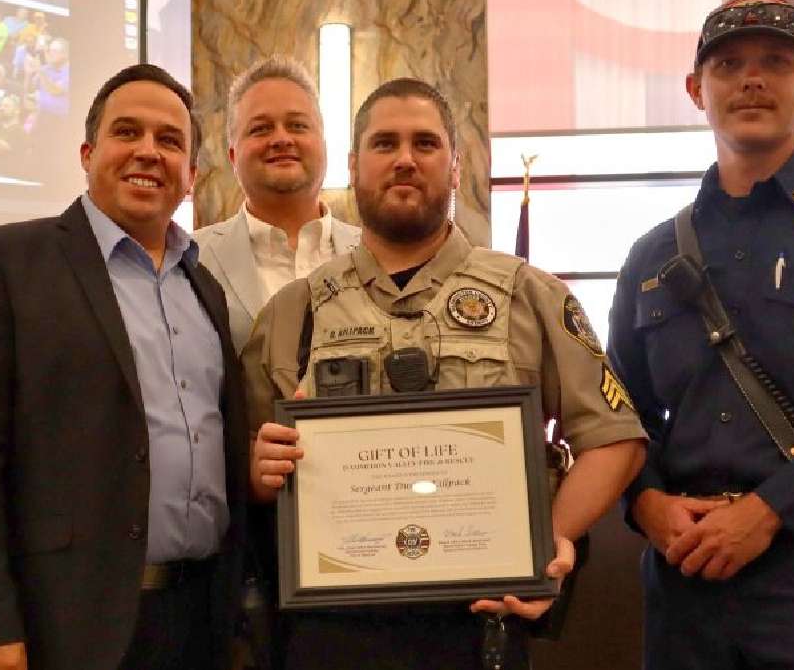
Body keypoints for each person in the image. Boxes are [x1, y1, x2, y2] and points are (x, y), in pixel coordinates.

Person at [244, 77, 646, 669]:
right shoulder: (293, 312)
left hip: (480, 625)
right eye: (385, 144)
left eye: (425, 144)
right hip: (333, 630)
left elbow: (615, 439)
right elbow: (246, 466)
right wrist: (258, 472)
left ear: (455, 168)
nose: (405, 159)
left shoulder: (529, 297)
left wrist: (545, 541)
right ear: (354, 166)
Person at [608, 0, 794, 670]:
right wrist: (645, 500)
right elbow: (617, 414)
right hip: (684, 584)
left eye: (776, 61)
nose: (753, 79)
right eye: (729, 64)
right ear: (695, 90)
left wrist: (770, 509)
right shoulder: (653, 255)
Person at [0, 63, 248, 670]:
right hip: (66, 623)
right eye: (126, 132)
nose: (148, 152)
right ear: (87, 152)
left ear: (193, 175)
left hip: (200, 620)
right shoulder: (7, 262)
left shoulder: (203, 286)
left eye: (169, 140)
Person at [195, 55, 360, 354]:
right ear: (233, 156)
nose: (282, 139)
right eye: (260, 129)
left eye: (297, 126)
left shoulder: (374, 253)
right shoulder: (191, 261)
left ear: (323, 144)